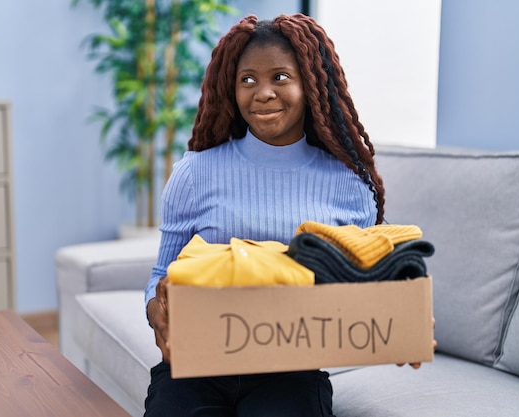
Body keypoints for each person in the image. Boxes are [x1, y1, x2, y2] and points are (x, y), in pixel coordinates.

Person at [144, 13, 421, 417]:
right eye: (248, 80)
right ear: (232, 87)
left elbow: (365, 287)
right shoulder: (196, 173)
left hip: (290, 374)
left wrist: (400, 328)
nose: (263, 93)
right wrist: (159, 313)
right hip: (195, 367)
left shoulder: (348, 182)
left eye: (280, 77)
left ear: (310, 84)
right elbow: (160, 274)